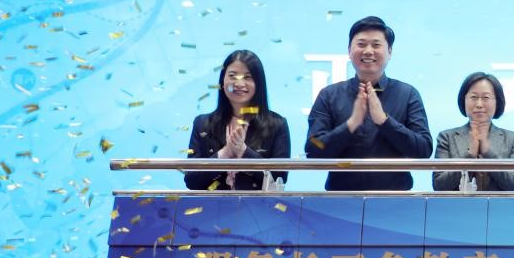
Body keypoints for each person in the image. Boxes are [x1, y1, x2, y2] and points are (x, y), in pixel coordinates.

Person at [306, 16, 432, 191]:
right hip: (341, 199)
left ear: (389, 52)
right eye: (361, 44)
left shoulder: (407, 94)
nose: (368, 51)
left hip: (395, 199)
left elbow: (423, 150)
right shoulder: (329, 95)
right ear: (349, 50)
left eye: (376, 45)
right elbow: (314, 149)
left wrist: (384, 121)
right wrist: (351, 124)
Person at [185, 49, 290, 191]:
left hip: (257, 204)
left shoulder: (277, 124)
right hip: (214, 204)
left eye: (247, 77)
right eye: (232, 76)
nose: (239, 83)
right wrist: (223, 155)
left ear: (259, 83)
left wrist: (245, 153)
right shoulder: (202, 124)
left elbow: (280, 178)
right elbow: (191, 181)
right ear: (222, 81)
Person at [432, 72, 514, 192]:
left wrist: (489, 154)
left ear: (497, 102)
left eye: (486, 98)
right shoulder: (447, 137)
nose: (479, 104)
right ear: (463, 100)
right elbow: (439, 185)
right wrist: (469, 156)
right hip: (458, 204)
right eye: (473, 97)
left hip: (498, 204)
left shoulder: (512, 139)